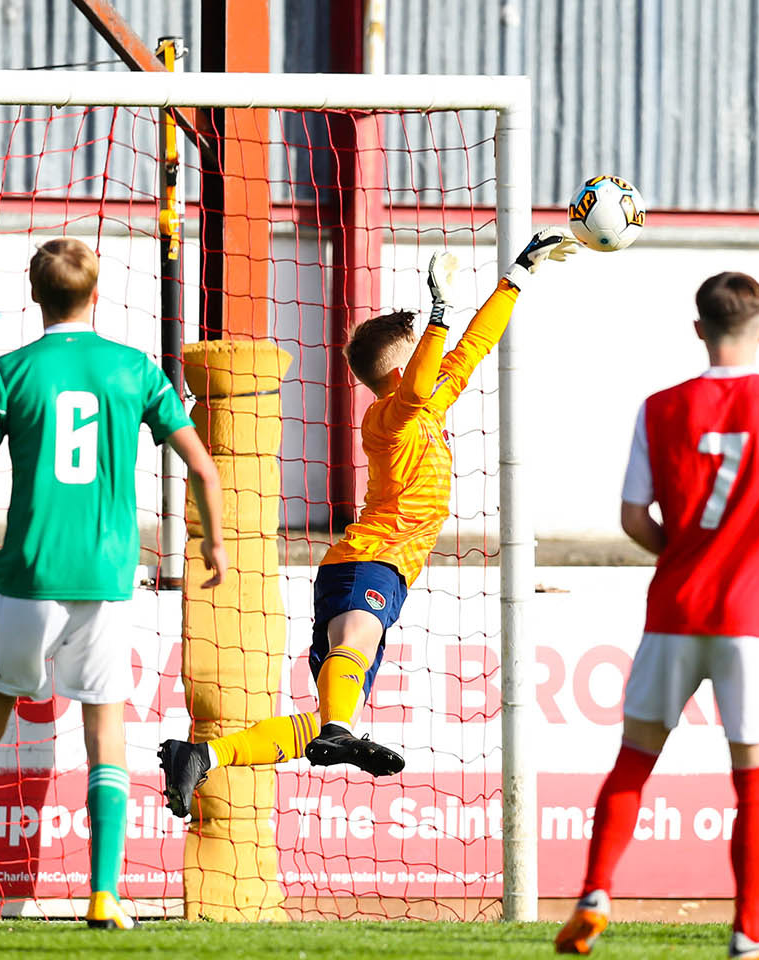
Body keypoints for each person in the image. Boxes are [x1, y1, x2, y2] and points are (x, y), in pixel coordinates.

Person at [158, 230, 577, 816]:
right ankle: (335, 730)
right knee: (354, 647)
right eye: (423, 349)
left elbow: (474, 347)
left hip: (376, 570)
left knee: (327, 724)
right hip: (366, 562)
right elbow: (430, 373)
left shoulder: (424, 404)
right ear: (403, 365)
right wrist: (435, 317)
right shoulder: (389, 418)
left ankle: (203, 757)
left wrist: (518, 277)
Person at [0, 238, 227, 929]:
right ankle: (104, 894)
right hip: (107, 581)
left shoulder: (9, 372)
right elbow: (203, 466)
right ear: (96, 293)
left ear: (34, 293)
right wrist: (217, 541)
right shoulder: (135, 369)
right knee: (105, 734)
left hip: (27, 578)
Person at [554, 272, 759, 960]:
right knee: (757, 777)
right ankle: (749, 934)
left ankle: (594, 892)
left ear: (698, 329)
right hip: (755, 615)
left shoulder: (659, 408)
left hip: (676, 606)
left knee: (634, 759)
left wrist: (683, 552)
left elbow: (631, 518)